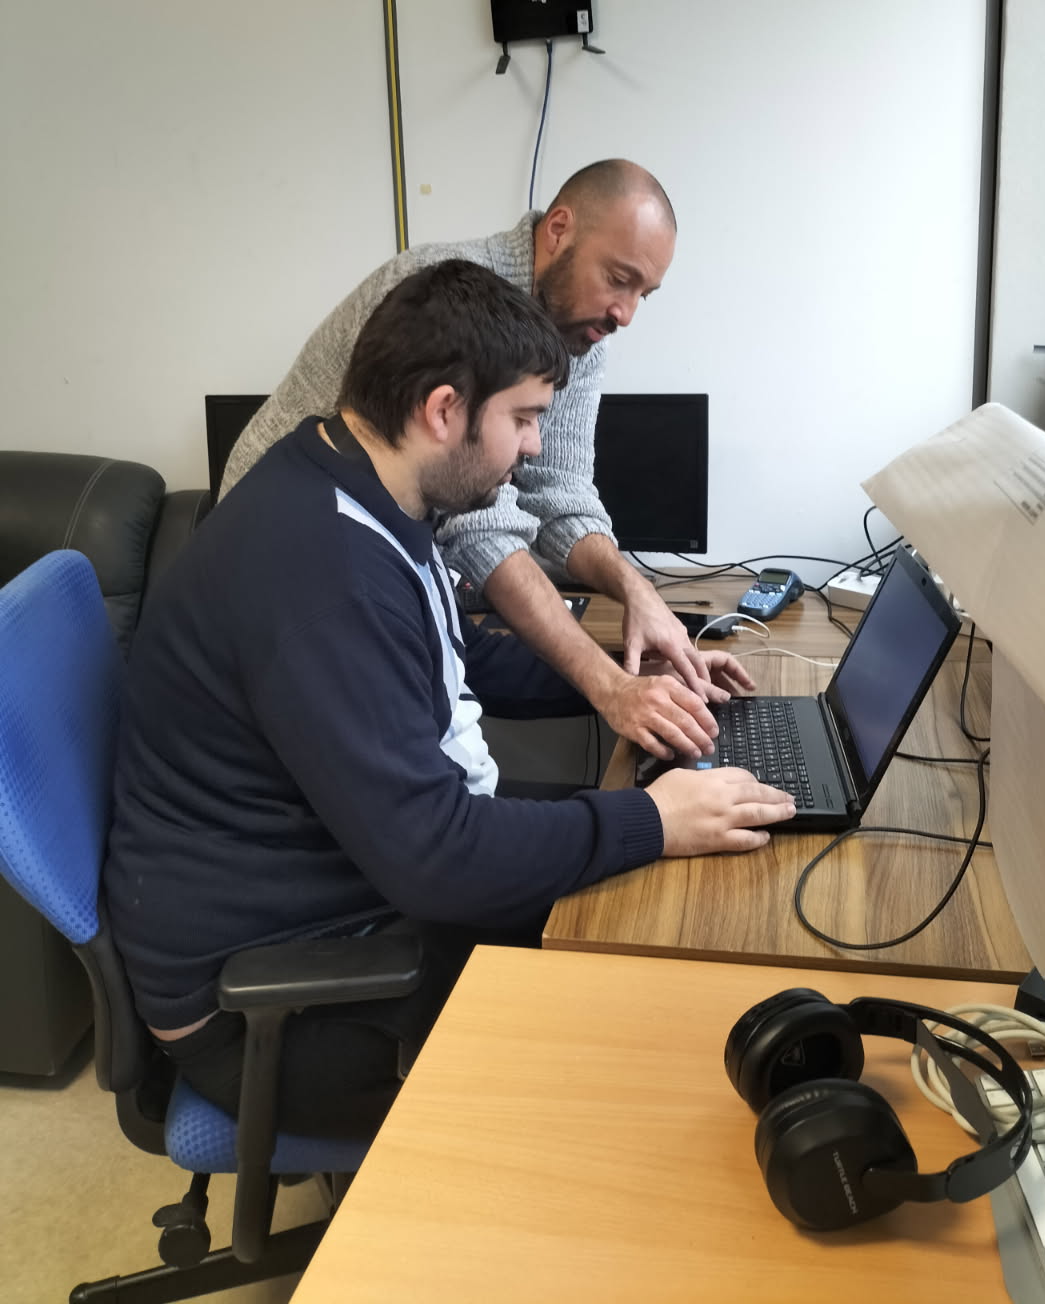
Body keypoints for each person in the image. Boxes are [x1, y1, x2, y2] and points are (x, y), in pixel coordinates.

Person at [104, 259, 795, 1140]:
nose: (534, 448)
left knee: (654, 898)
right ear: (442, 411)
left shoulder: (345, 477)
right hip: (276, 1004)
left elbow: (444, 658)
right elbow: (436, 856)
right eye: (524, 419)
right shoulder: (321, 572)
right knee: (637, 1046)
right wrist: (653, 822)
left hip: (350, 886)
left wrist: (628, 687)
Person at [219, 159, 721, 767]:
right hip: (286, 557)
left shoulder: (578, 332)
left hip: (378, 554)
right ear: (558, 230)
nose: (626, 313)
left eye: (644, 294)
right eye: (619, 279)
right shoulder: (444, 295)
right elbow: (477, 523)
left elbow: (559, 489)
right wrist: (610, 688)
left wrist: (635, 592)